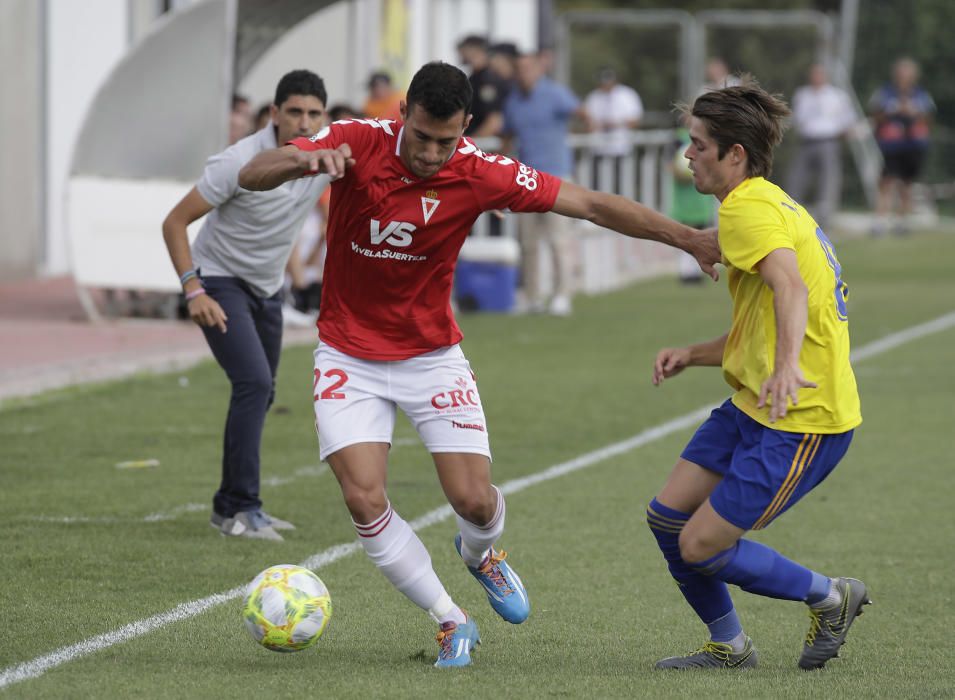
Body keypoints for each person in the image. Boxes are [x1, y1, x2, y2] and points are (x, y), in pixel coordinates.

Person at [238, 61, 719, 668]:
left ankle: (482, 555)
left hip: (432, 356)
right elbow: (251, 173)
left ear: (466, 126)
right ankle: (450, 618)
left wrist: (690, 238)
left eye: (447, 139)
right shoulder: (355, 140)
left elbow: (592, 203)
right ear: (403, 115)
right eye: (421, 136)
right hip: (348, 355)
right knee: (363, 498)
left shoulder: (481, 171)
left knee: (474, 503)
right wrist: (301, 159)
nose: (432, 153)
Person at [647, 78, 869, 671]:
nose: (687, 154)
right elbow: (761, 324)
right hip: (755, 402)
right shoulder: (762, 201)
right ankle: (730, 647)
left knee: (699, 545)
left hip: (802, 418)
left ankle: (830, 596)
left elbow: (790, 287)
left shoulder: (748, 208)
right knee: (668, 518)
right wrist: (691, 354)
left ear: (734, 154)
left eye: (697, 144)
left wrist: (790, 365)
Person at [161, 70, 331, 541]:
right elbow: (174, 223)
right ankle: (242, 509)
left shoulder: (324, 156)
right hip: (219, 281)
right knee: (254, 384)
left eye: (314, 113)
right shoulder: (236, 161)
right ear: (274, 114)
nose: (304, 121)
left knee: (262, 392)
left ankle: (227, 506)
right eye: (294, 111)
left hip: (266, 289)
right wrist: (193, 290)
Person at [502, 51, 581, 315]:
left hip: (556, 174)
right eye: (519, 69)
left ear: (538, 69)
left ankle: (562, 294)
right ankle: (533, 296)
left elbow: (581, 113)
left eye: (527, 68)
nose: (523, 73)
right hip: (525, 178)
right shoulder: (513, 100)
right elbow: (508, 133)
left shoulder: (554, 93)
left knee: (559, 239)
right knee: (529, 242)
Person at [869, 57, 935, 236]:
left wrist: (914, 112)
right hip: (891, 145)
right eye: (901, 73)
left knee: (906, 184)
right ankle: (880, 222)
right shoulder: (885, 93)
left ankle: (901, 222)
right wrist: (893, 111)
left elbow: (928, 119)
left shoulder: (921, 95)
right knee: (886, 182)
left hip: (913, 145)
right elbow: (876, 116)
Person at [786, 64, 856, 231]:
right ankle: (792, 217)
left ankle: (825, 221)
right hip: (807, 141)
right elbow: (797, 119)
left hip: (828, 141)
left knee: (828, 182)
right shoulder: (802, 94)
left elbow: (848, 121)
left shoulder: (837, 96)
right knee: (797, 179)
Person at [583, 67, 643, 194]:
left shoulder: (627, 94)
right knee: (597, 187)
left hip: (620, 148)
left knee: (620, 187)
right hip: (598, 148)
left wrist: (615, 124)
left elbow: (635, 120)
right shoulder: (594, 97)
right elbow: (588, 122)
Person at [457, 35, 507, 138]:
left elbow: (494, 121)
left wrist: (472, 143)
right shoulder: (474, 78)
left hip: (484, 144)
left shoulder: (488, 79)